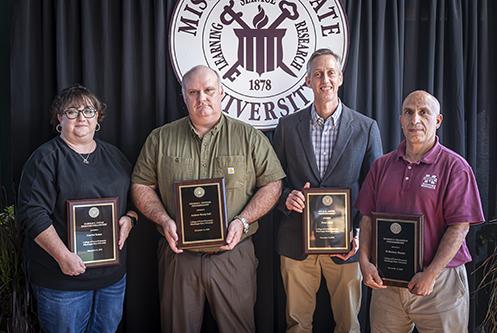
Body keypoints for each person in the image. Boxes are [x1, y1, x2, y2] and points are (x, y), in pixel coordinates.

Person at [131, 65, 285, 333]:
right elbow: (141, 185)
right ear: (184, 96)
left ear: (222, 92)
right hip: (179, 255)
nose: (201, 98)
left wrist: (243, 221)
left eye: (208, 90)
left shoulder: (249, 136)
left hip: (233, 254)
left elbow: (272, 184)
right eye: (193, 92)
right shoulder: (161, 138)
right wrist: (163, 219)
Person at [273, 48, 383, 333]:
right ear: (308, 80)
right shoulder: (286, 126)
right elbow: (273, 182)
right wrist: (288, 197)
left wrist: (359, 235)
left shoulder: (366, 128)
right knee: (297, 323)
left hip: (346, 245)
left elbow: (375, 190)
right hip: (297, 242)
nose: (325, 79)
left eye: (331, 72)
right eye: (318, 74)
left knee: (348, 324)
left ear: (341, 78)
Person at [356, 90, 484, 333]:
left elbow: (460, 227)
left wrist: (431, 274)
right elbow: (367, 218)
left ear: (438, 120)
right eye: (408, 112)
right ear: (401, 120)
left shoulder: (455, 167)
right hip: (388, 283)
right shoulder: (381, 166)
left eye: (423, 112)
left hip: (440, 283)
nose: (415, 119)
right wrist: (364, 262)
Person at [16, 84, 137, 333]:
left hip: (111, 280)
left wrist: (131, 218)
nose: (81, 117)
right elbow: (33, 214)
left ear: (98, 118)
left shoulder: (115, 156)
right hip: (63, 280)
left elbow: (134, 200)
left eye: (88, 111)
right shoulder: (45, 159)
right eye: (72, 111)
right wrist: (63, 256)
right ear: (60, 118)